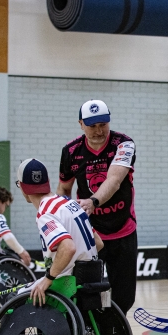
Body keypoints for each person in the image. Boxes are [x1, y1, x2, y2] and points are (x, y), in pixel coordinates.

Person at [57, 99, 137, 313]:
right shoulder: (71, 151)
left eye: (103, 124)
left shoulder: (124, 144)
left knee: (125, 298)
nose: (98, 131)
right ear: (81, 124)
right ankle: (91, 334)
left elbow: (114, 179)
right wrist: (62, 219)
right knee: (86, 292)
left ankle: (112, 334)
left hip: (123, 231)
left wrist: (93, 201)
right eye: (92, 126)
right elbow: (63, 189)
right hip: (89, 234)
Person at [17, 159, 103, 307]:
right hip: (92, 277)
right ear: (47, 182)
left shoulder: (45, 213)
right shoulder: (70, 203)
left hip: (67, 283)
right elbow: (99, 243)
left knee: (14, 300)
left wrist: (48, 278)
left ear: (23, 188)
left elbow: (68, 247)